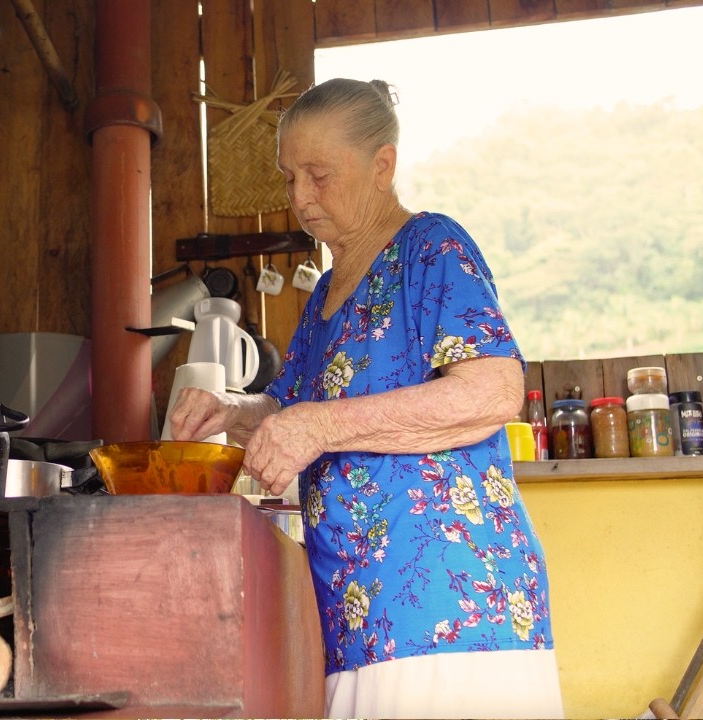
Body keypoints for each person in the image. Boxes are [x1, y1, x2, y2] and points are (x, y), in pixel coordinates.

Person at [168, 78, 563, 718]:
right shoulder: (325, 296)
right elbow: (291, 410)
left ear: (383, 166)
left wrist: (318, 427)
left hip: (450, 603)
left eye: (320, 175)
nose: (299, 197)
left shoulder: (431, 248)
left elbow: (494, 390)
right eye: (290, 176)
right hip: (359, 611)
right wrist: (233, 411)